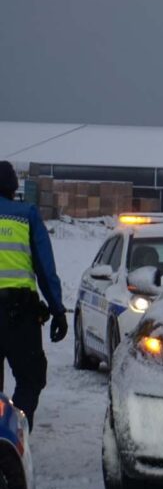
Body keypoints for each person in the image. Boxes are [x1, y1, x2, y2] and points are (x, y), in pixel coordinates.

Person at [0, 161, 67, 429]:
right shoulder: (26, 214)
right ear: (13, 186)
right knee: (30, 379)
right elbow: (44, 266)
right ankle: (13, 435)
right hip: (18, 315)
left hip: (18, 311)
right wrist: (58, 309)